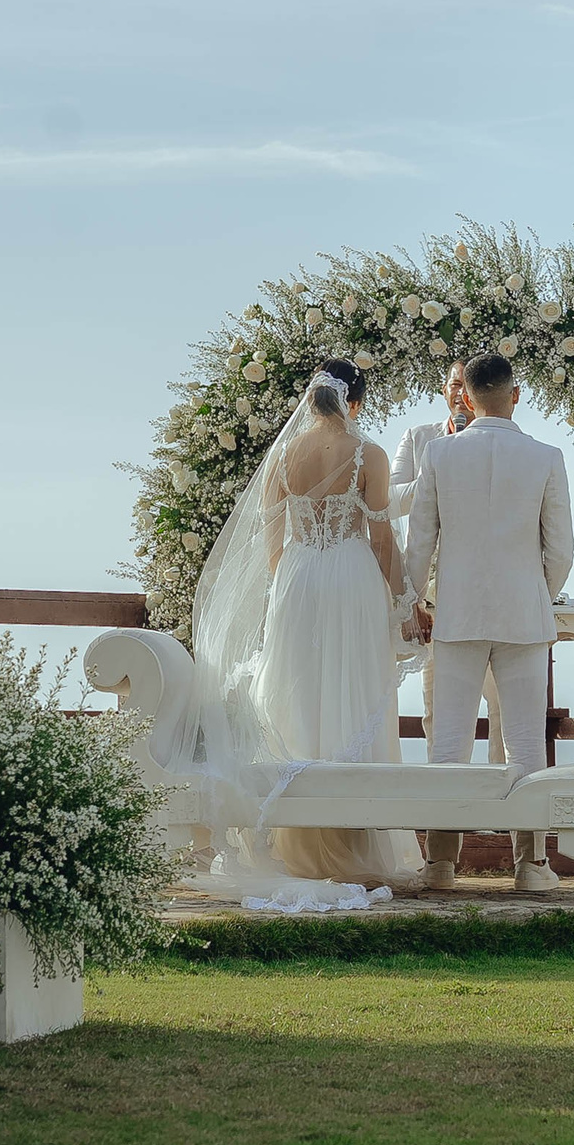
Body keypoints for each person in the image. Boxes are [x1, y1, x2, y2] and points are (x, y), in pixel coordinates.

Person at [165, 357, 427, 905]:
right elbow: (382, 539)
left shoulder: (283, 457)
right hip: (352, 580)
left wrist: (289, 588)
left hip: (298, 578)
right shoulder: (370, 454)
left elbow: (271, 539)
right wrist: (406, 602)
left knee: (298, 697)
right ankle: (354, 839)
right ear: (356, 402)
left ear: (312, 400)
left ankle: (293, 840)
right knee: (352, 694)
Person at [403, 350, 574, 894]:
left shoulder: (439, 453)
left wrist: (416, 602)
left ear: (468, 397)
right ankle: (531, 864)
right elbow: (561, 550)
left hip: (456, 614)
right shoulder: (546, 456)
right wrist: (538, 594)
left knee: (448, 743)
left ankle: (440, 864)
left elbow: (419, 544)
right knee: (526, 744)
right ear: (515, 395)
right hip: (523, 615)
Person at [391, 359, 508, 770]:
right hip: (435, 600)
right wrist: (439, 469)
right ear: (444, 390)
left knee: (502, 706)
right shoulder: (419, 438)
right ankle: (444, 797)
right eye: (453, 384)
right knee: (438, 709)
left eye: (466, 386)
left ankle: (501, 797)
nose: (460, 393)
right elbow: (389, 501)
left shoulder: (504, 443)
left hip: (492, 595)